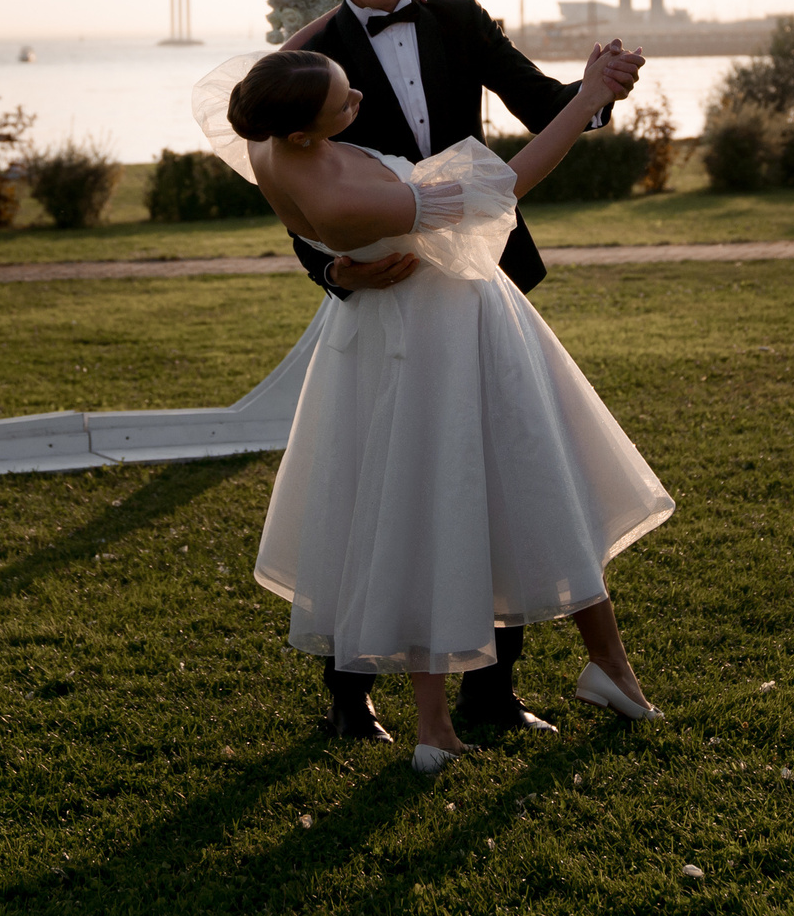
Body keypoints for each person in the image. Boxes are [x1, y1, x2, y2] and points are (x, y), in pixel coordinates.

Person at [214, 41, 675, 773]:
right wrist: (587, 99)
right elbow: (511, 181)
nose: (359, 101)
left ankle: (443, 724)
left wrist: (336, 267)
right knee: (526, 486)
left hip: (391, 338)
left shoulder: (269, 145)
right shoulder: (343, 195)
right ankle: (564, 682)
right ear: (303, 128)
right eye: (345, 101)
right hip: (446, 334)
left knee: (429, 501)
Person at [273, 0, 645, 742]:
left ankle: (492, 694)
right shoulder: (314, 55)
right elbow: (292, 188)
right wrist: (334, 273)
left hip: (479, 281)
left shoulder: (462, 19)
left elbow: (543, 108)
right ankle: (349, 692)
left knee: (494, 472)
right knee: (373, 477)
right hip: (384, 296)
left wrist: (598, 90)